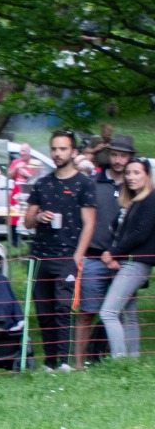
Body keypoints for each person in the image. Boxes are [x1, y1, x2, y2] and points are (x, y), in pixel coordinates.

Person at [24, 131, 97, 372]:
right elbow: (26, 221)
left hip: (67, 255)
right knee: (43, 310)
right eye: (54, 148)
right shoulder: (42, 183)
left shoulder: (84, 184)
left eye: (63, 149)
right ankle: (50, 362)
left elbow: (89, 223)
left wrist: (78, 256)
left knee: (63, 308)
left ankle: (65, 362)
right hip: (40, 255)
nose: (57, 153)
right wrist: (38, 216)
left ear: (73, 152)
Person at [76, 142, 129, 365]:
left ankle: (113, 360)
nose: (118, 160)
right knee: (87, 312)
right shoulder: (92, 183)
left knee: (119, 313)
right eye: (114, 155)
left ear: (130, 158)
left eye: (123, 156)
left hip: (124, 260)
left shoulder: (136, 183)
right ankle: (78, 364)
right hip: (94, 255)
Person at [100, 158, 153, 358]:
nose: (131, 177)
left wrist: (113, 253)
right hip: (126, 262)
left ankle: (119, 361)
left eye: (137, 173)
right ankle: (132, 360)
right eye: (128, 173)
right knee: (128, 315)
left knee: (108, 313)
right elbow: (117, 231)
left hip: (136, 264)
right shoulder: (133, 202)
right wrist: (113, 253)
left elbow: (140, 233)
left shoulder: (150, 199)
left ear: (147, 175)